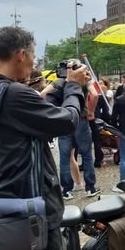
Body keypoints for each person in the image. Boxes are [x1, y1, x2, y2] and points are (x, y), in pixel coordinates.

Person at [0, 26, 89, 250]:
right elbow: (66, 121)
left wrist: (56, 89)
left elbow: (29, 120)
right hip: (30, 214)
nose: (34, 62)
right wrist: (73, 88)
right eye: (33, 56)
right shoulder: (14, 94)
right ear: (20, 55)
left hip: (0, 209)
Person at [42, 62, 101, 200]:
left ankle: (66, 190)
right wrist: (91, 111)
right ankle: (90, 188)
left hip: (64, 119)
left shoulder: (60, 80)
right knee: (86, 154)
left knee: (64, 156)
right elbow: (95, 95)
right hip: (81, 119)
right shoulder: (84, 79)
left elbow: (43, 94)